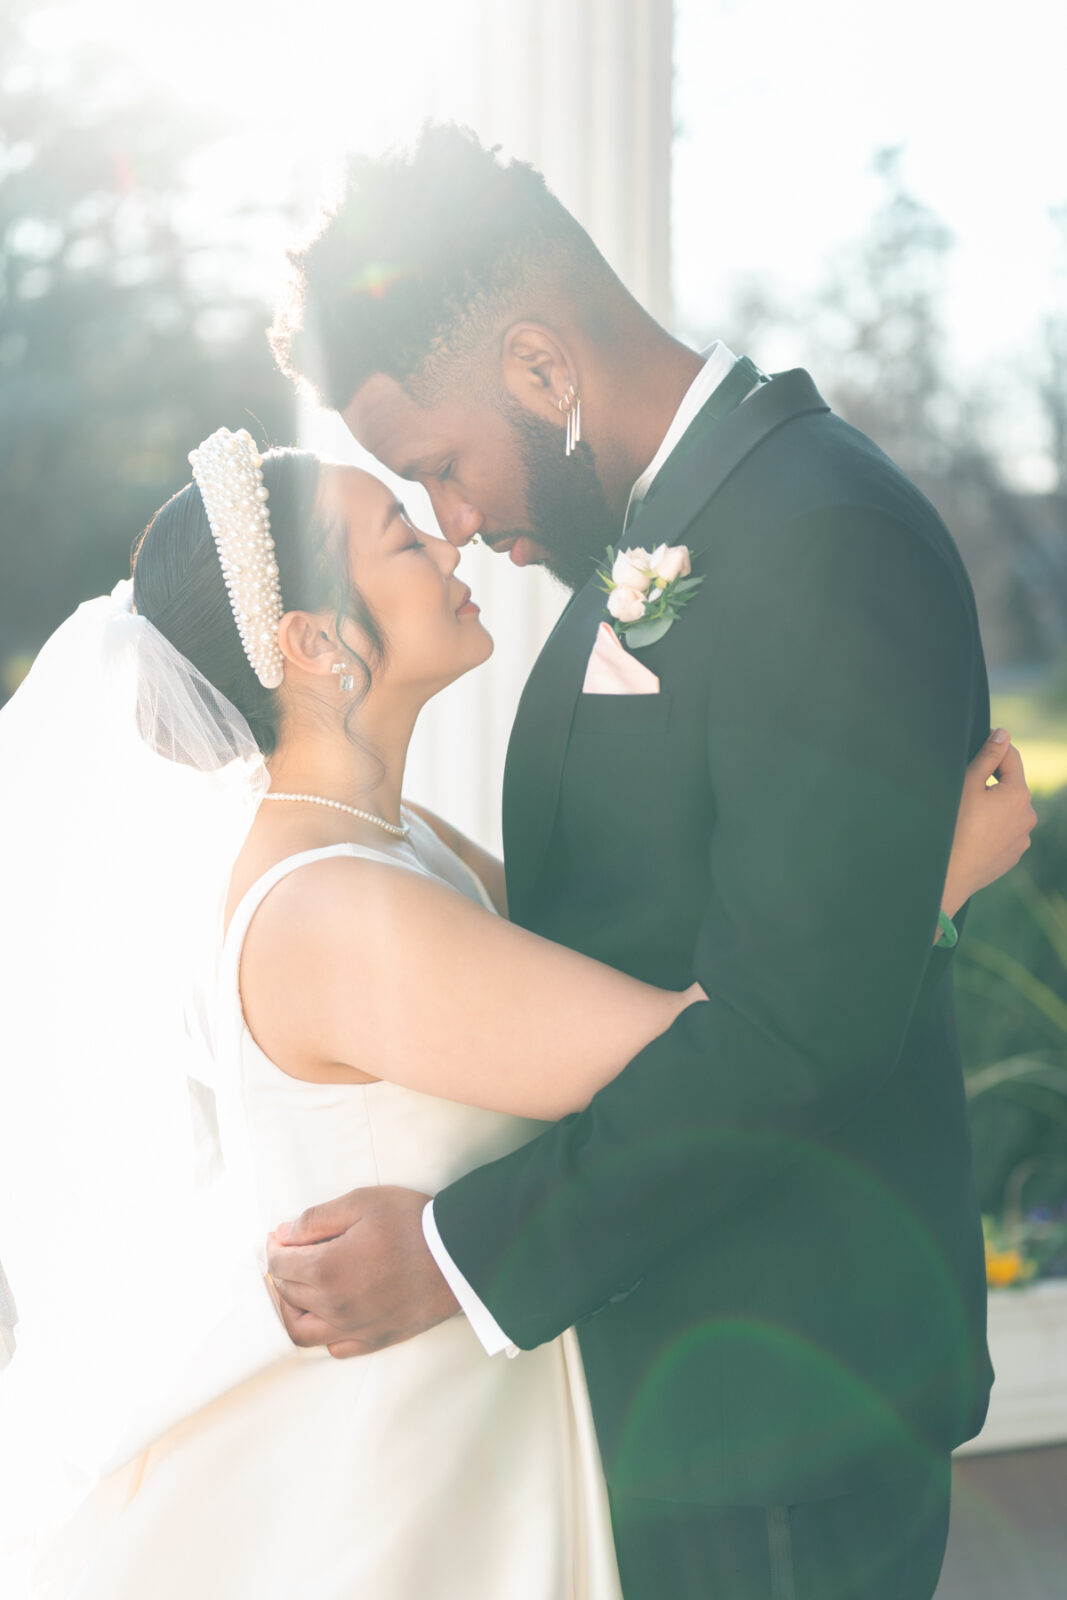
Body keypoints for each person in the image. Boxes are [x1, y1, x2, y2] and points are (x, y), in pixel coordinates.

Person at [0, 429, 1030, 1600]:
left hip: (472, 1412)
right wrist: (926, 879)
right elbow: (713, 1048)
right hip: (405, 1472)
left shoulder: (391, 845)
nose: (444, 537)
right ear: (316, 643)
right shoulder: (335, 908)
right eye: (396, 534)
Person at [263, 125, 1038, 1599]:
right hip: (682, 1363)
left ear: (542, 368)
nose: (456, 524)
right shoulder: (665, 537)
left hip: (784, 1394)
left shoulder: (817, 534)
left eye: (439, 466)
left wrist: (450, 1255)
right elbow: (669, 918)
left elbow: (790, 1034)